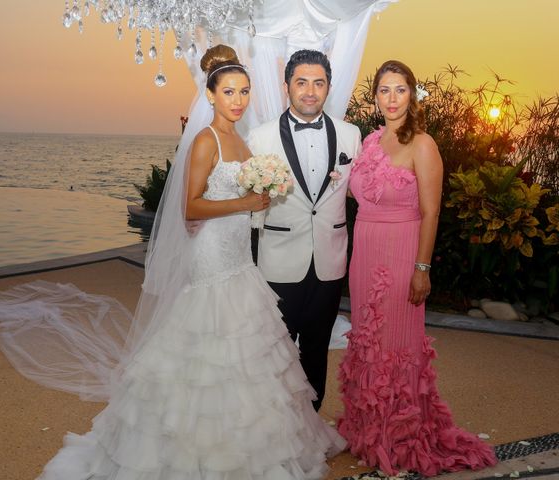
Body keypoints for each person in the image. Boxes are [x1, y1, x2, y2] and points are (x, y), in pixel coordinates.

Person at [32, 44, 345, 479]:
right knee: (210, 345)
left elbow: (252, 202)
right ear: (211, 96)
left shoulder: (241, 138)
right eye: (229, 92)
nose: (238, 100)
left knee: (250, 350)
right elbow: (190, 208)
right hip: (212, 255)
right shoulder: (206, 140)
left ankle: (247, 442)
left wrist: (261, 200)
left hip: (240, 257)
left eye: (245, 92)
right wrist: (246, 201)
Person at [336, 60, 498, 477]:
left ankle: (399, 433)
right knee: (368, 338)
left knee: (395, 342)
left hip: (401, 251)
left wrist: (422, 268)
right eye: (384, 90)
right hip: (365, 251)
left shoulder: (423, 144)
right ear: (375, 97)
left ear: (412, 95)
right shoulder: (369, 142)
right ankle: (368, 428)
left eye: (400, 90)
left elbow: (431, 212)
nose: (391, 98)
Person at [248, 50, 361, 411]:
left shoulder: (350, 135)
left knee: (316, 349)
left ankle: (310, 424)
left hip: (330, 260)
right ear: (287, 87)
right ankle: (275, 426)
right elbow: (248, 202)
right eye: (301, 82)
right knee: (275, 350)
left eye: (318, 83)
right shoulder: (260, 138)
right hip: (278, 259)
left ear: (328, 87)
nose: (310, 91)